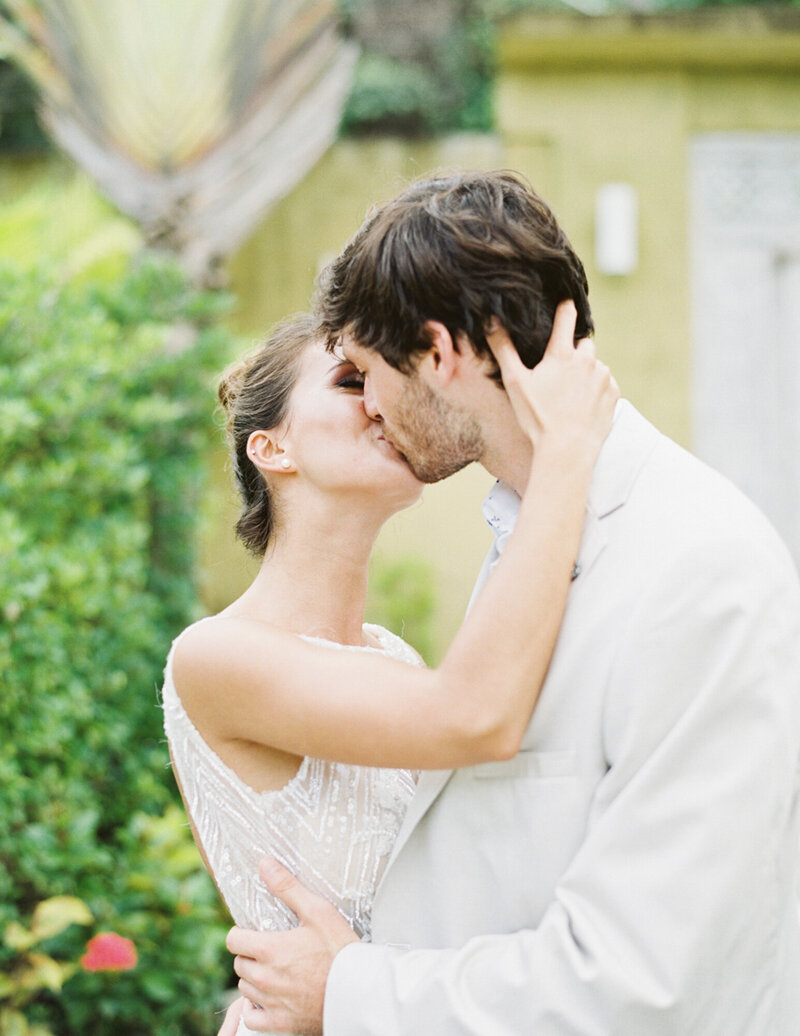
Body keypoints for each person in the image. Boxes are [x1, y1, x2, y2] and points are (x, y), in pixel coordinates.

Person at [220, 171, 800, 1035]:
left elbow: (640, 980)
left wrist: (349, 993)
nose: (373, 406)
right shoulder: (529, 534)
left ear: (441, 356)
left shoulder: (697, 569)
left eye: (368, 373)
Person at [161, 307, 617, 1036]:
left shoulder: (394, 660)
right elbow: (475, 717)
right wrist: (563, 455)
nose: (382, 402)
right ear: (273, 449)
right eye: (351, 382)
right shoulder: (216, 657)